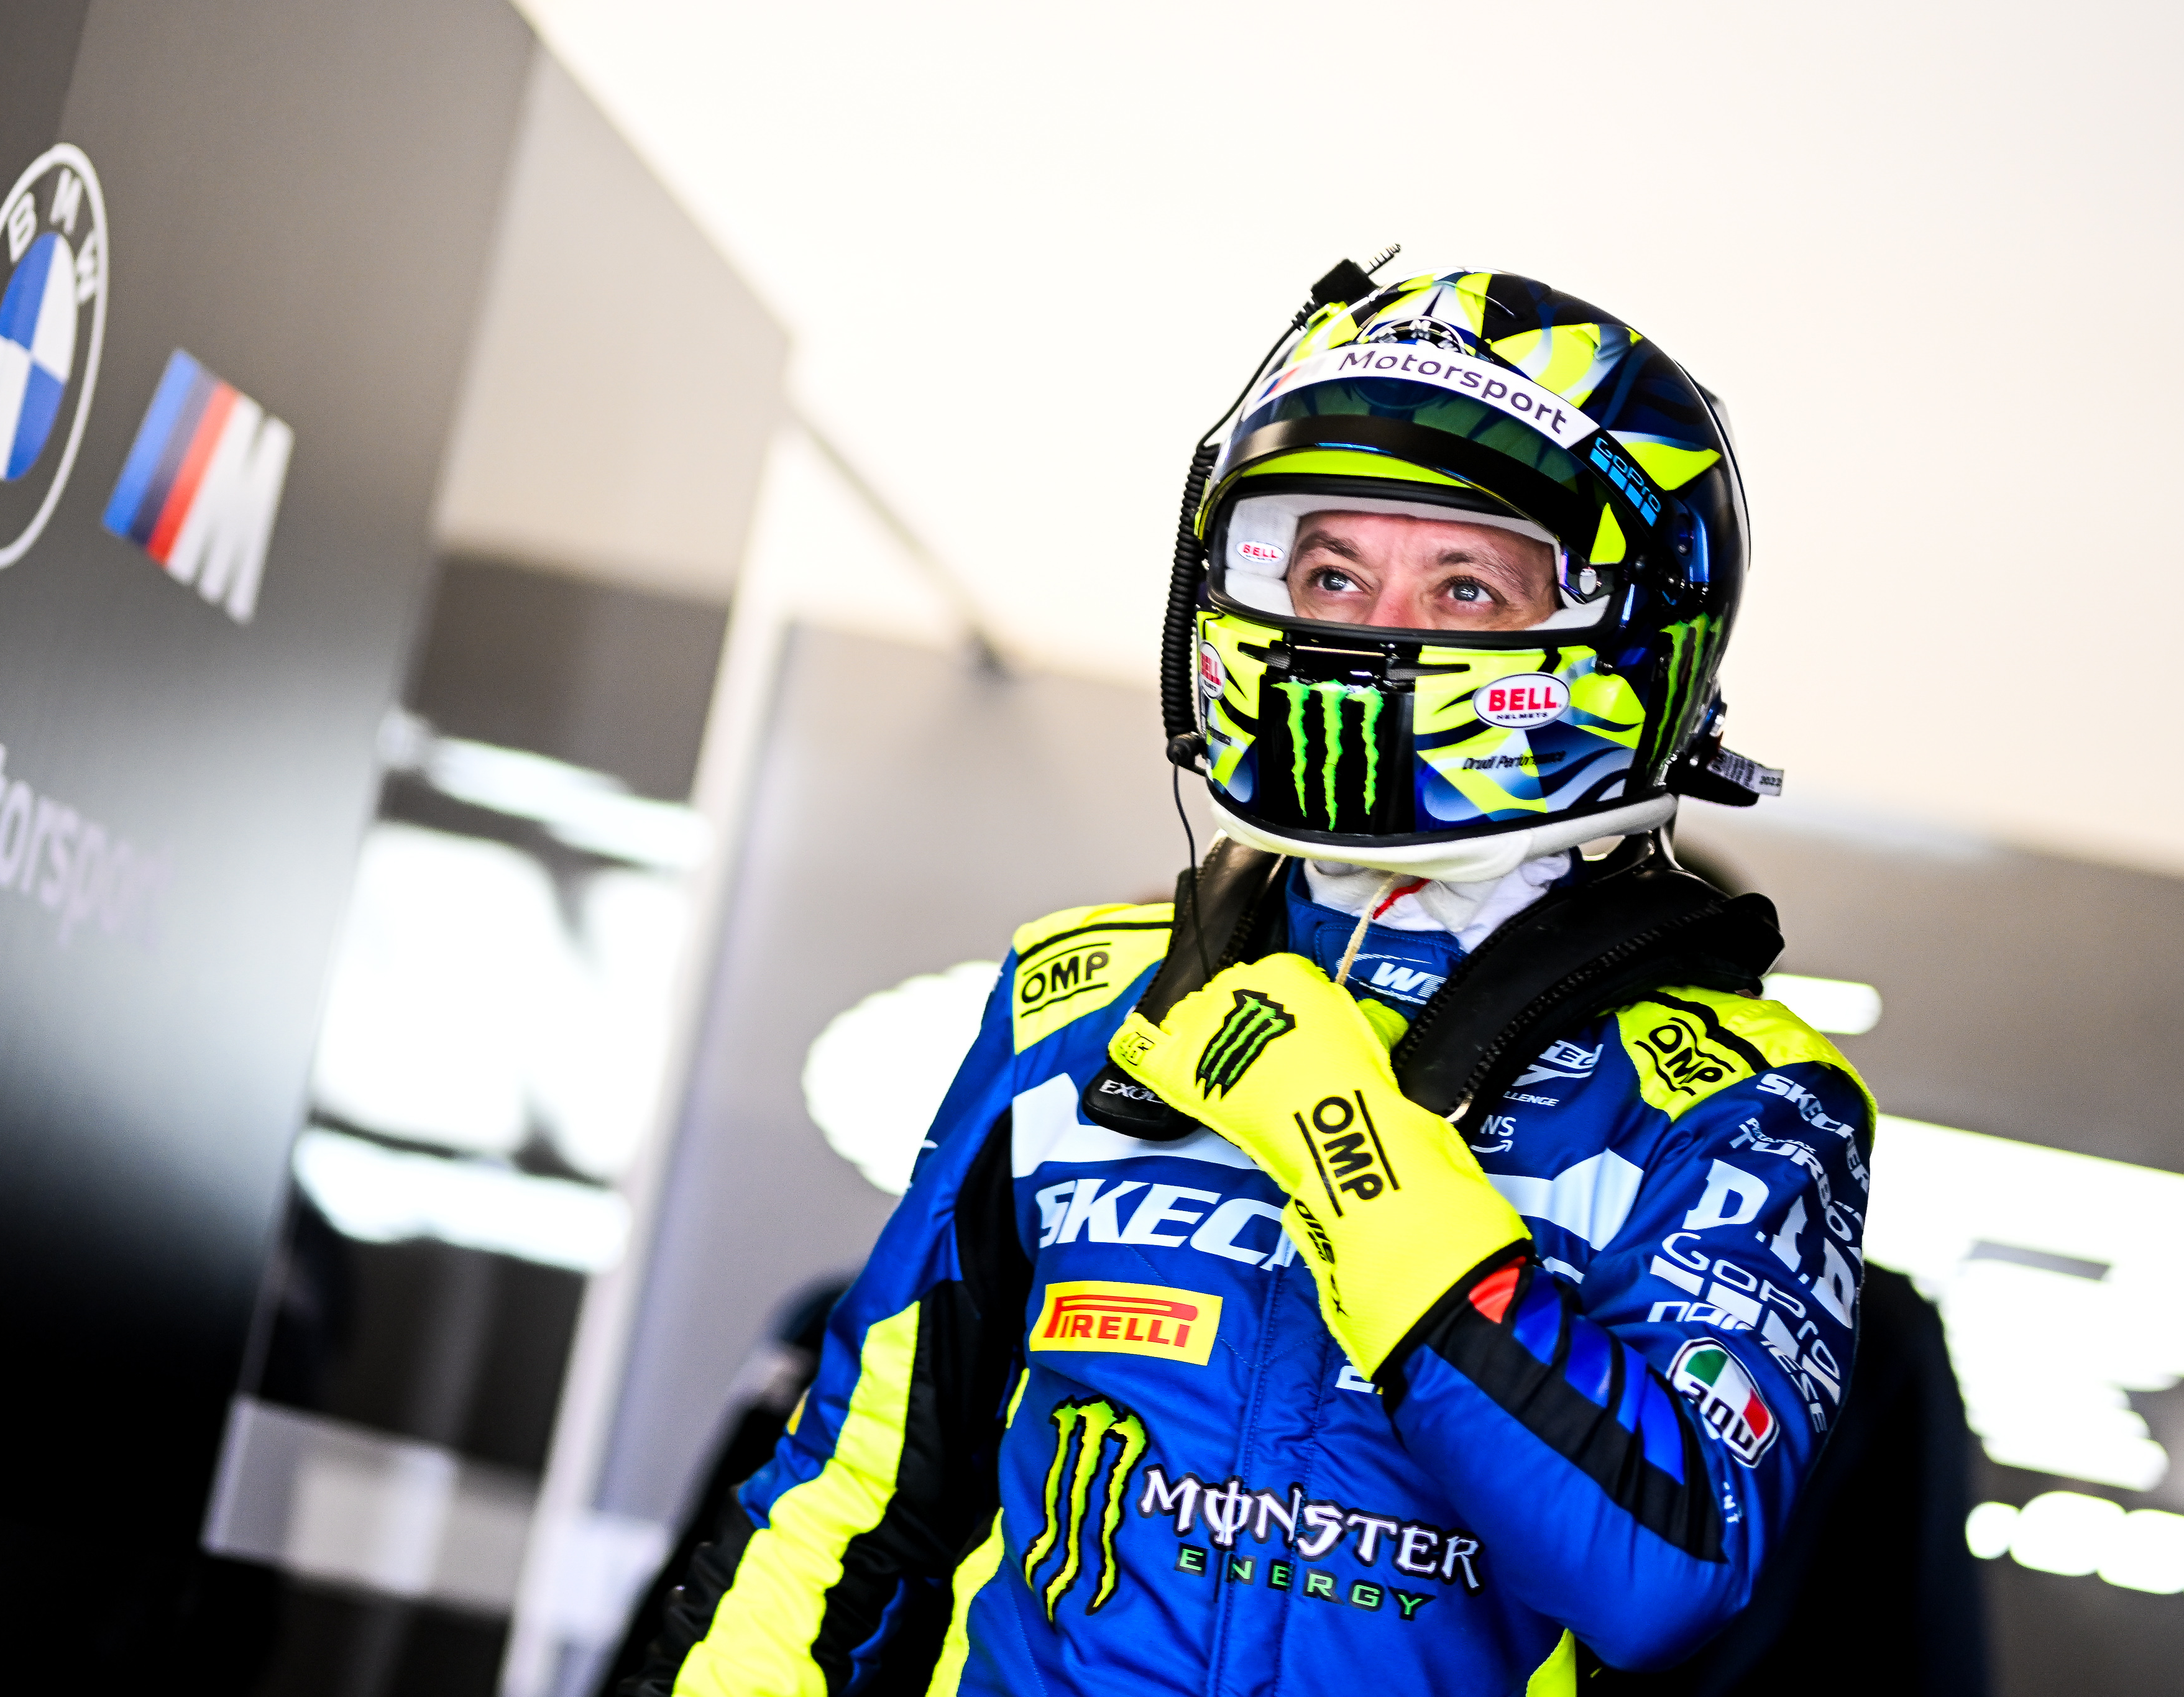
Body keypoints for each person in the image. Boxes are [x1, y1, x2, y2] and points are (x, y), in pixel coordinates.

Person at [622, 266, 1874, 1695]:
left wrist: (1346, 1143)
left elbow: (1661, 1567)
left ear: (1631, 634)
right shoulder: (1080, 999)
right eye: (1331, 573)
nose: (1367, 630)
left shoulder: (1740, 1099)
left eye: (1464, 585)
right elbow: (851, 1498)